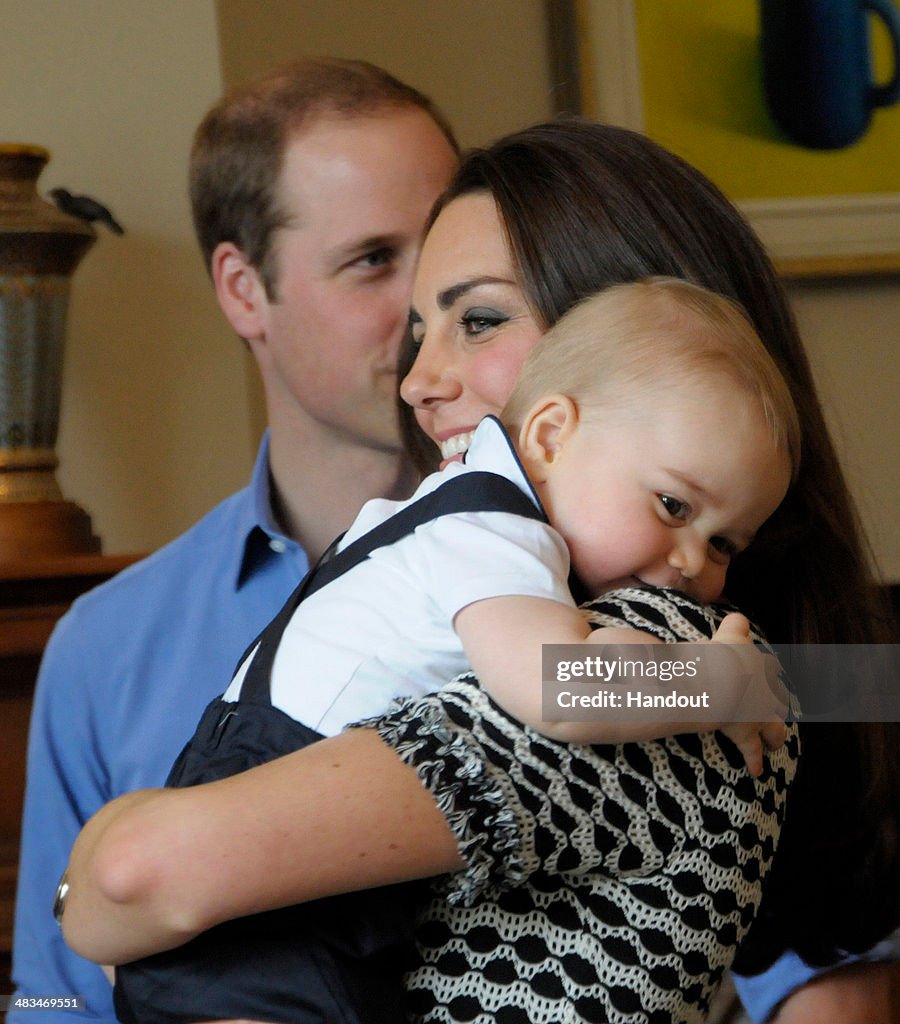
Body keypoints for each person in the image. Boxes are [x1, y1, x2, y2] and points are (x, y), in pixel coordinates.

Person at [58, 121, 900, 1023]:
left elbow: (136, 875)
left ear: (636, 331)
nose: (416, 379)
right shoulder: (495, 546)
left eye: (477, 318)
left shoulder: (659, 644)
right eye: (421, 325)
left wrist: (97, 879)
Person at [111, 277, 798, 1023]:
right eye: (673, 505)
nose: (693, 562)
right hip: (277, 818)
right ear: (550, 436)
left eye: (724, 542)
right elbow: (557, 687)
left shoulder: (462, 517)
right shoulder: (491, 529)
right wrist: (710, 684)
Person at [10, 56, 460, 1024]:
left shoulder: (595, 549)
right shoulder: (106, 647)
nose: (432, 306)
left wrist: (741, 682)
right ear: (244, 290)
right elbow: (56, 1002)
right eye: (374, 259)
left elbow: (812, 945)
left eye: (449, 245)